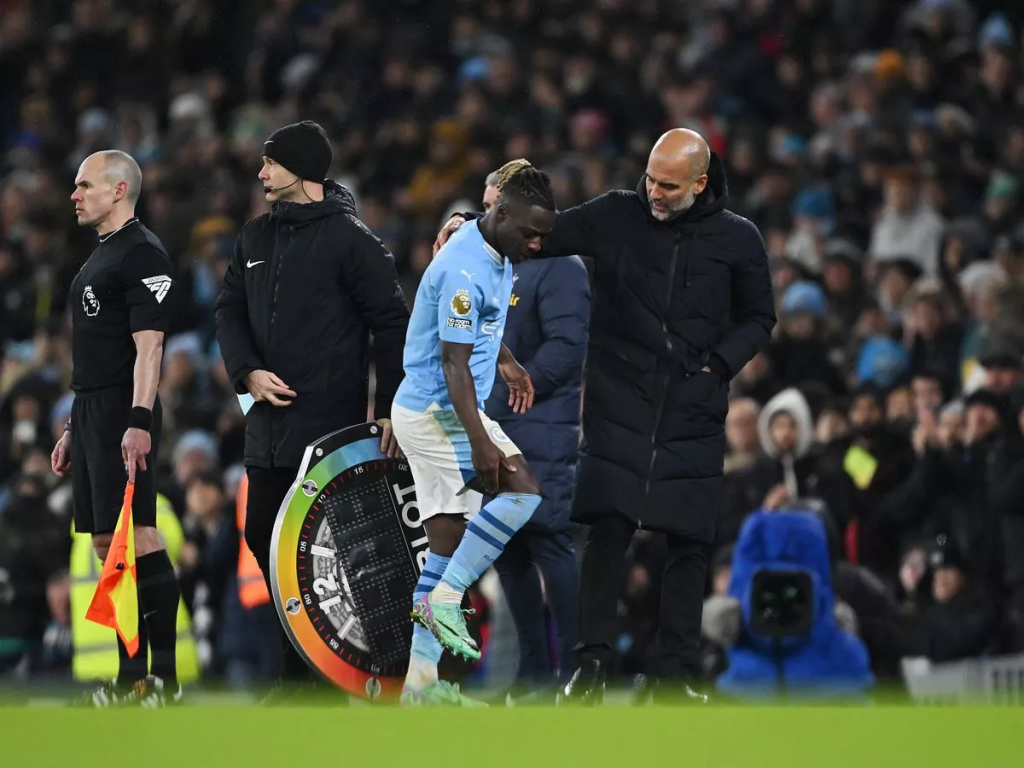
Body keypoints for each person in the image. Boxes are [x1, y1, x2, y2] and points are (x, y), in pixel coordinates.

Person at [434, 129, 776, 703]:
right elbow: (545, 229)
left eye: (668, 185)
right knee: (606, 533)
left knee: (687, 545)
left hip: (692, 408)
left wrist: (717, 368)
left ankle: (675, 678)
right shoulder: (619, 213)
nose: (654, 192)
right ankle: (591, 667)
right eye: (649, 178)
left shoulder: (738, 240)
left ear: (700, 182)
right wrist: (475, 224)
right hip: (620, 404)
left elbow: (758, 317)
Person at [214, 121, 410, 692]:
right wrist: (246, 371)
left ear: (300, 172)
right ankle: (301, 674)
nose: (261, 173)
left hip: (327, 428)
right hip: (266, 424)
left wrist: (391, 405)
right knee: (263, 538)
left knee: (324, 557)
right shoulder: (254, 236)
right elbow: (228, 309)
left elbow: (391, 325)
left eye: (270, 163)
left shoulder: (353, 240)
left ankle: (322, 681)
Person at [391, 162, 556, 706]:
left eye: (542, 235)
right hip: (438, 413)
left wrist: (506, 359)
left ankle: (418, 682)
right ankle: (447, 598)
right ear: (500, 212)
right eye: (529, 233)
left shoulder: (496, 248)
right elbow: (454, 363)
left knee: (444, 546)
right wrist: (481, 439)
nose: (535, 244)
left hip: (442, 410)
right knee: (521, 490)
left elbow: (480, 329)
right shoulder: (465, 269)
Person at [51, 150, 183, 706]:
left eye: (84, 185)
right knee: (110, 542)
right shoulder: (100, 257)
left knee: (140, 534)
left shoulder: (142, 254)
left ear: (119, 189)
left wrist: (138, 421)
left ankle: (163, 679)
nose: (75, 195)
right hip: (90, 411)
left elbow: (149, 347)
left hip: (119, 412)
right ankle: (133, 676)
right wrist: (71, 429)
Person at [479, 165, 590, 701]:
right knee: (507, 549)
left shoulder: (560, 266)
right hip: (494, 425)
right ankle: (532, 672)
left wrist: (523, 385)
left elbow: (569, 346)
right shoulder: (495, 263)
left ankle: (572, 667)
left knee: (548, 540)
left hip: (540, 423)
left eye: (491, 199)